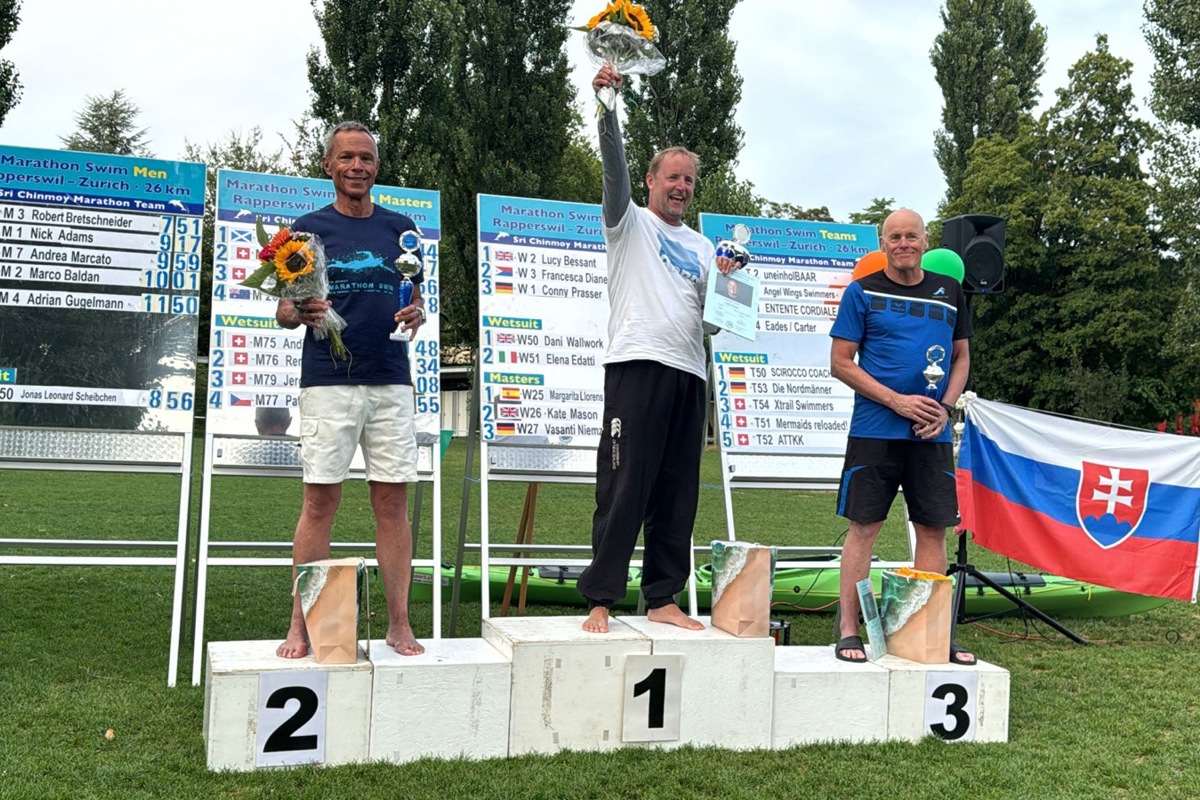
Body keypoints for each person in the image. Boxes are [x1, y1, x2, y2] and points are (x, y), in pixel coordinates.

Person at [576, 64, 739, 633]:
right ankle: (601, 597)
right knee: (623, 486)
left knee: (676, 492)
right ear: (650, 180)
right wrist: (608, 107)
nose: (681, 187)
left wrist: (727, 288)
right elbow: (612, 172)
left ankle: (663, 596)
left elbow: (713, 327)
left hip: (689, 374)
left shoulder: (702, 247)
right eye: (672, 177)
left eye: (689, 180)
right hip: (637, 365)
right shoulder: (628, 224)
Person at [276, 120, 427, 659]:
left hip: (390, 379)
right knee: (319, 503)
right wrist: (299, 308)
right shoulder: (306, 229)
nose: (357, 166)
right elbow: (284, 313)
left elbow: (415, 301)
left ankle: (399, 623)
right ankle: (301, 624)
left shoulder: (401, 229)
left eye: (365, 158)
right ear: (328, 166)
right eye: (347, 158)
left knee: (392, 503)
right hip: (328, 382)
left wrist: (417, 313)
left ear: (377, 167)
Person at [828, 208, 975, 665]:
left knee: (932, 530)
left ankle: (930, 633)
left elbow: (961, 358)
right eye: (895, 237)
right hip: (875, 432)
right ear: (883, 242)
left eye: (912, 235)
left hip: (930, 436)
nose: (904, 243)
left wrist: (944, 410)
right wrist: (898, 402)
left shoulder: (950, 291)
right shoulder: (861, 292)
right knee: (864, 529)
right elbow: (840, 362)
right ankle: (850, 631)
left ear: (925, 240)